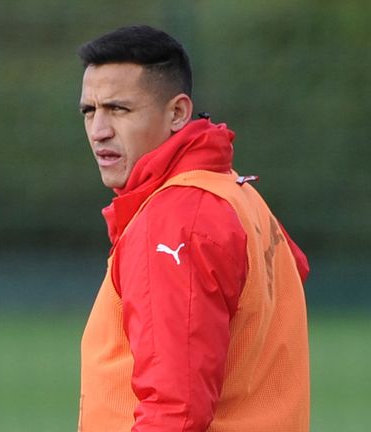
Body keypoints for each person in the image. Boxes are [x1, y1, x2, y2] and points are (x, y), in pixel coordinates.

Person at [76, 25, 310, 431]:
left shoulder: (176, 219)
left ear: (177, 113)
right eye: (89, 111)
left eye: (119, 109)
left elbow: (175, 413)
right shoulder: (232, 192)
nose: (99, 130)